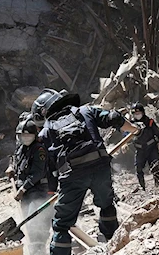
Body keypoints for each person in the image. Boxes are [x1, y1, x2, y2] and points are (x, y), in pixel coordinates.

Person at [32, 88, 138, 255]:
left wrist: (53, 189)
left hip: (72, 177)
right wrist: (133, 128)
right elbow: (113, 117)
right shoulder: (85, 110)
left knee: (62, 224)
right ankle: (115, 246)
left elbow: (49, 167)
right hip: (100, 168)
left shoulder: (46, 131)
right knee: (106, 206)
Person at [5, 117, 50, 255]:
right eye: (21, 135)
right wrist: (11, 167)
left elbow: (37, 173)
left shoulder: (39, 150)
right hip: (24, 193)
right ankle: (33, 250)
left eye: (28, 135)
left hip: (37, 191)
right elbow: (15, 160)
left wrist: (22, 189)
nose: (25, 138)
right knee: (27, 223)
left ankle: (39, 250)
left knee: (36, 222)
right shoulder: (21, 148)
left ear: (34, 135)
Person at [123, 102, 159, 191]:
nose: (137, 115)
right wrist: (124, 144)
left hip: (151, 147)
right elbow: (126, 134)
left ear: (143, 112)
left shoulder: (149, 121)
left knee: (156, 166)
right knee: (138, 168)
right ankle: (143, 187)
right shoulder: (131, 124)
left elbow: (157, 132)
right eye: (135, 114)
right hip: (139, 149)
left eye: (139, 113)